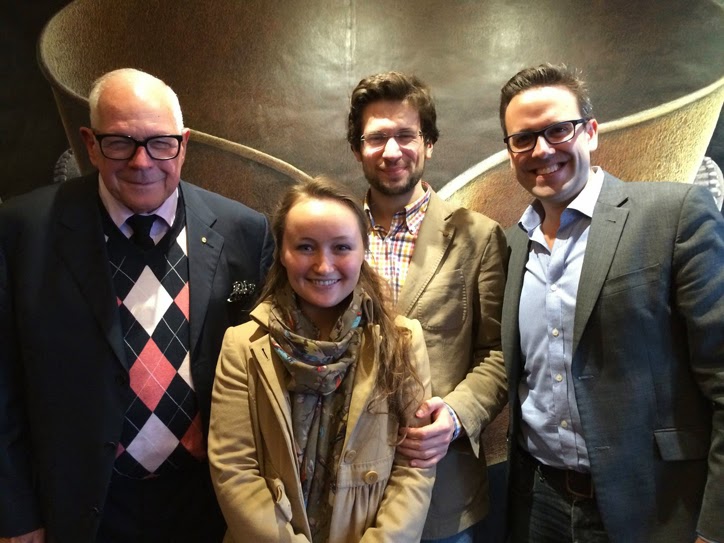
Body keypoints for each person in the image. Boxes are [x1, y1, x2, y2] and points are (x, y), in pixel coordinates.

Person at [0, 68, 274, 543]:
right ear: (90, 143)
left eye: (160, 143)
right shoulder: (23, 231)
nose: (142, 161)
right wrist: (16, 515)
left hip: (207, 502)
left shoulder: (244, 232)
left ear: (183, 145)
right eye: (120, 143)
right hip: (84, 506)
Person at [499, 63, 724, 543]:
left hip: (655, 506)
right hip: (539, 501)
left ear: (591, 132)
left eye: (558, 130)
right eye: (523, 139)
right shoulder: (512, 245)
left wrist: (714, 527)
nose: (542, 150)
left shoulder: (673, 214)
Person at [208, 177, 435, 542]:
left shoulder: (402, 341)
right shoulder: (243, 346)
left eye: (341, 247)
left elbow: (414, 467)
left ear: (363, 250)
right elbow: (235, 470)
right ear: (282, 253)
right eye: (305, 247)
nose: (323, 266)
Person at [347, 72, 508, 542]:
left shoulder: (478, 236)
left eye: (406, 135)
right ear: (357, 148)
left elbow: (499, 353)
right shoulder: (332, 237)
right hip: (344, 491)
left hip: (442, 489)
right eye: (376, 138)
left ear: (429, 143)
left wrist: (455, 415)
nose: (391, 150)